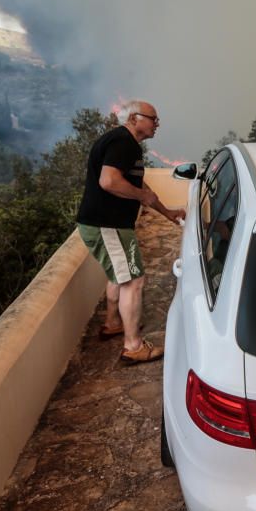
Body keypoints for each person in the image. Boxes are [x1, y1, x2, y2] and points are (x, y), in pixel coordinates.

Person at [76, 100, 185, 364]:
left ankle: (113, 323)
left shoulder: (125, 144)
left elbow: (139, 187)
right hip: (107, 224)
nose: (157, 124)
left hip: (105, 224)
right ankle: (133, 345)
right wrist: (140, 195)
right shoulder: (123, 142)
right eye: (153, 119)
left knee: (119, 274)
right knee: (133, 281)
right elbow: (109, 181)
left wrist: (167, 212)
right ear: (135, 118)